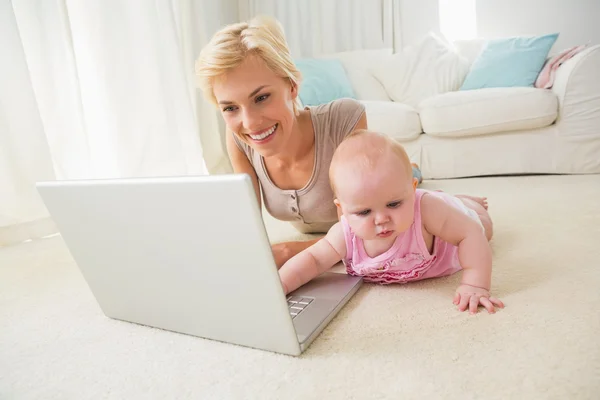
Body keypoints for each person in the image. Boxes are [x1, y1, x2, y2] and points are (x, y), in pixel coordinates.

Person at [195, 16, 422, 268]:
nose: (249, 123)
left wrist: (288, 250)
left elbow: (362, 237)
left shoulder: (343, 120)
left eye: (261, 98)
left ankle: (412, 170)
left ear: (292, 86)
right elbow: (248, 226)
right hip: (318, 228)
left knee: (405, 191)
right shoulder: (240, 140)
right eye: (230, 108)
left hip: (380, 189)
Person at [278, 130, 504, 314]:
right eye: (364, 211)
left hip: (448, 218)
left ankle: (465, 202)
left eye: (394, 204)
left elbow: (470, 233)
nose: (381, 219)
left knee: (484, 227)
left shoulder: (425, 210)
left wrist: (475, 284)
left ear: (412, 190)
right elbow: (313, 260)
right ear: (343, 210)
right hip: (428, 207)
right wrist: (280, 285)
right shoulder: (344, 234)